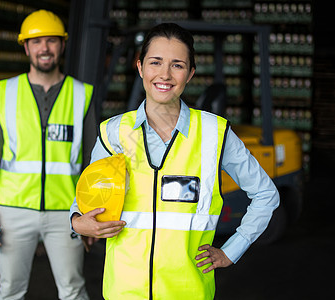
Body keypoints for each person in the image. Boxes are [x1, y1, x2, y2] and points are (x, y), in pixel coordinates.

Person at [71, 23, 280, 299]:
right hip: (124, 290)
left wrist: (232, 249)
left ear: (190, 73)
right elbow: (87, 196)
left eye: (177, 65)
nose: (165, 75)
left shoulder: (213, 135)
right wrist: (76, 221)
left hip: (187, 292)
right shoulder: (113, 132)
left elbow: (266, 194)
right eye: (155, 62)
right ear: (140, 67)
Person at [0, 9, 95, 300]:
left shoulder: (82, 94)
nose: (45, 48)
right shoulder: (6, 92)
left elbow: (95, 164)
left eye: (52, 41)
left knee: (73, 289)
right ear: (26, 47)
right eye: (37, 41)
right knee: (10, 291)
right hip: (14, 212)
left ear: (62, 45)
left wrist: (92, 214)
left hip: (67, 213)